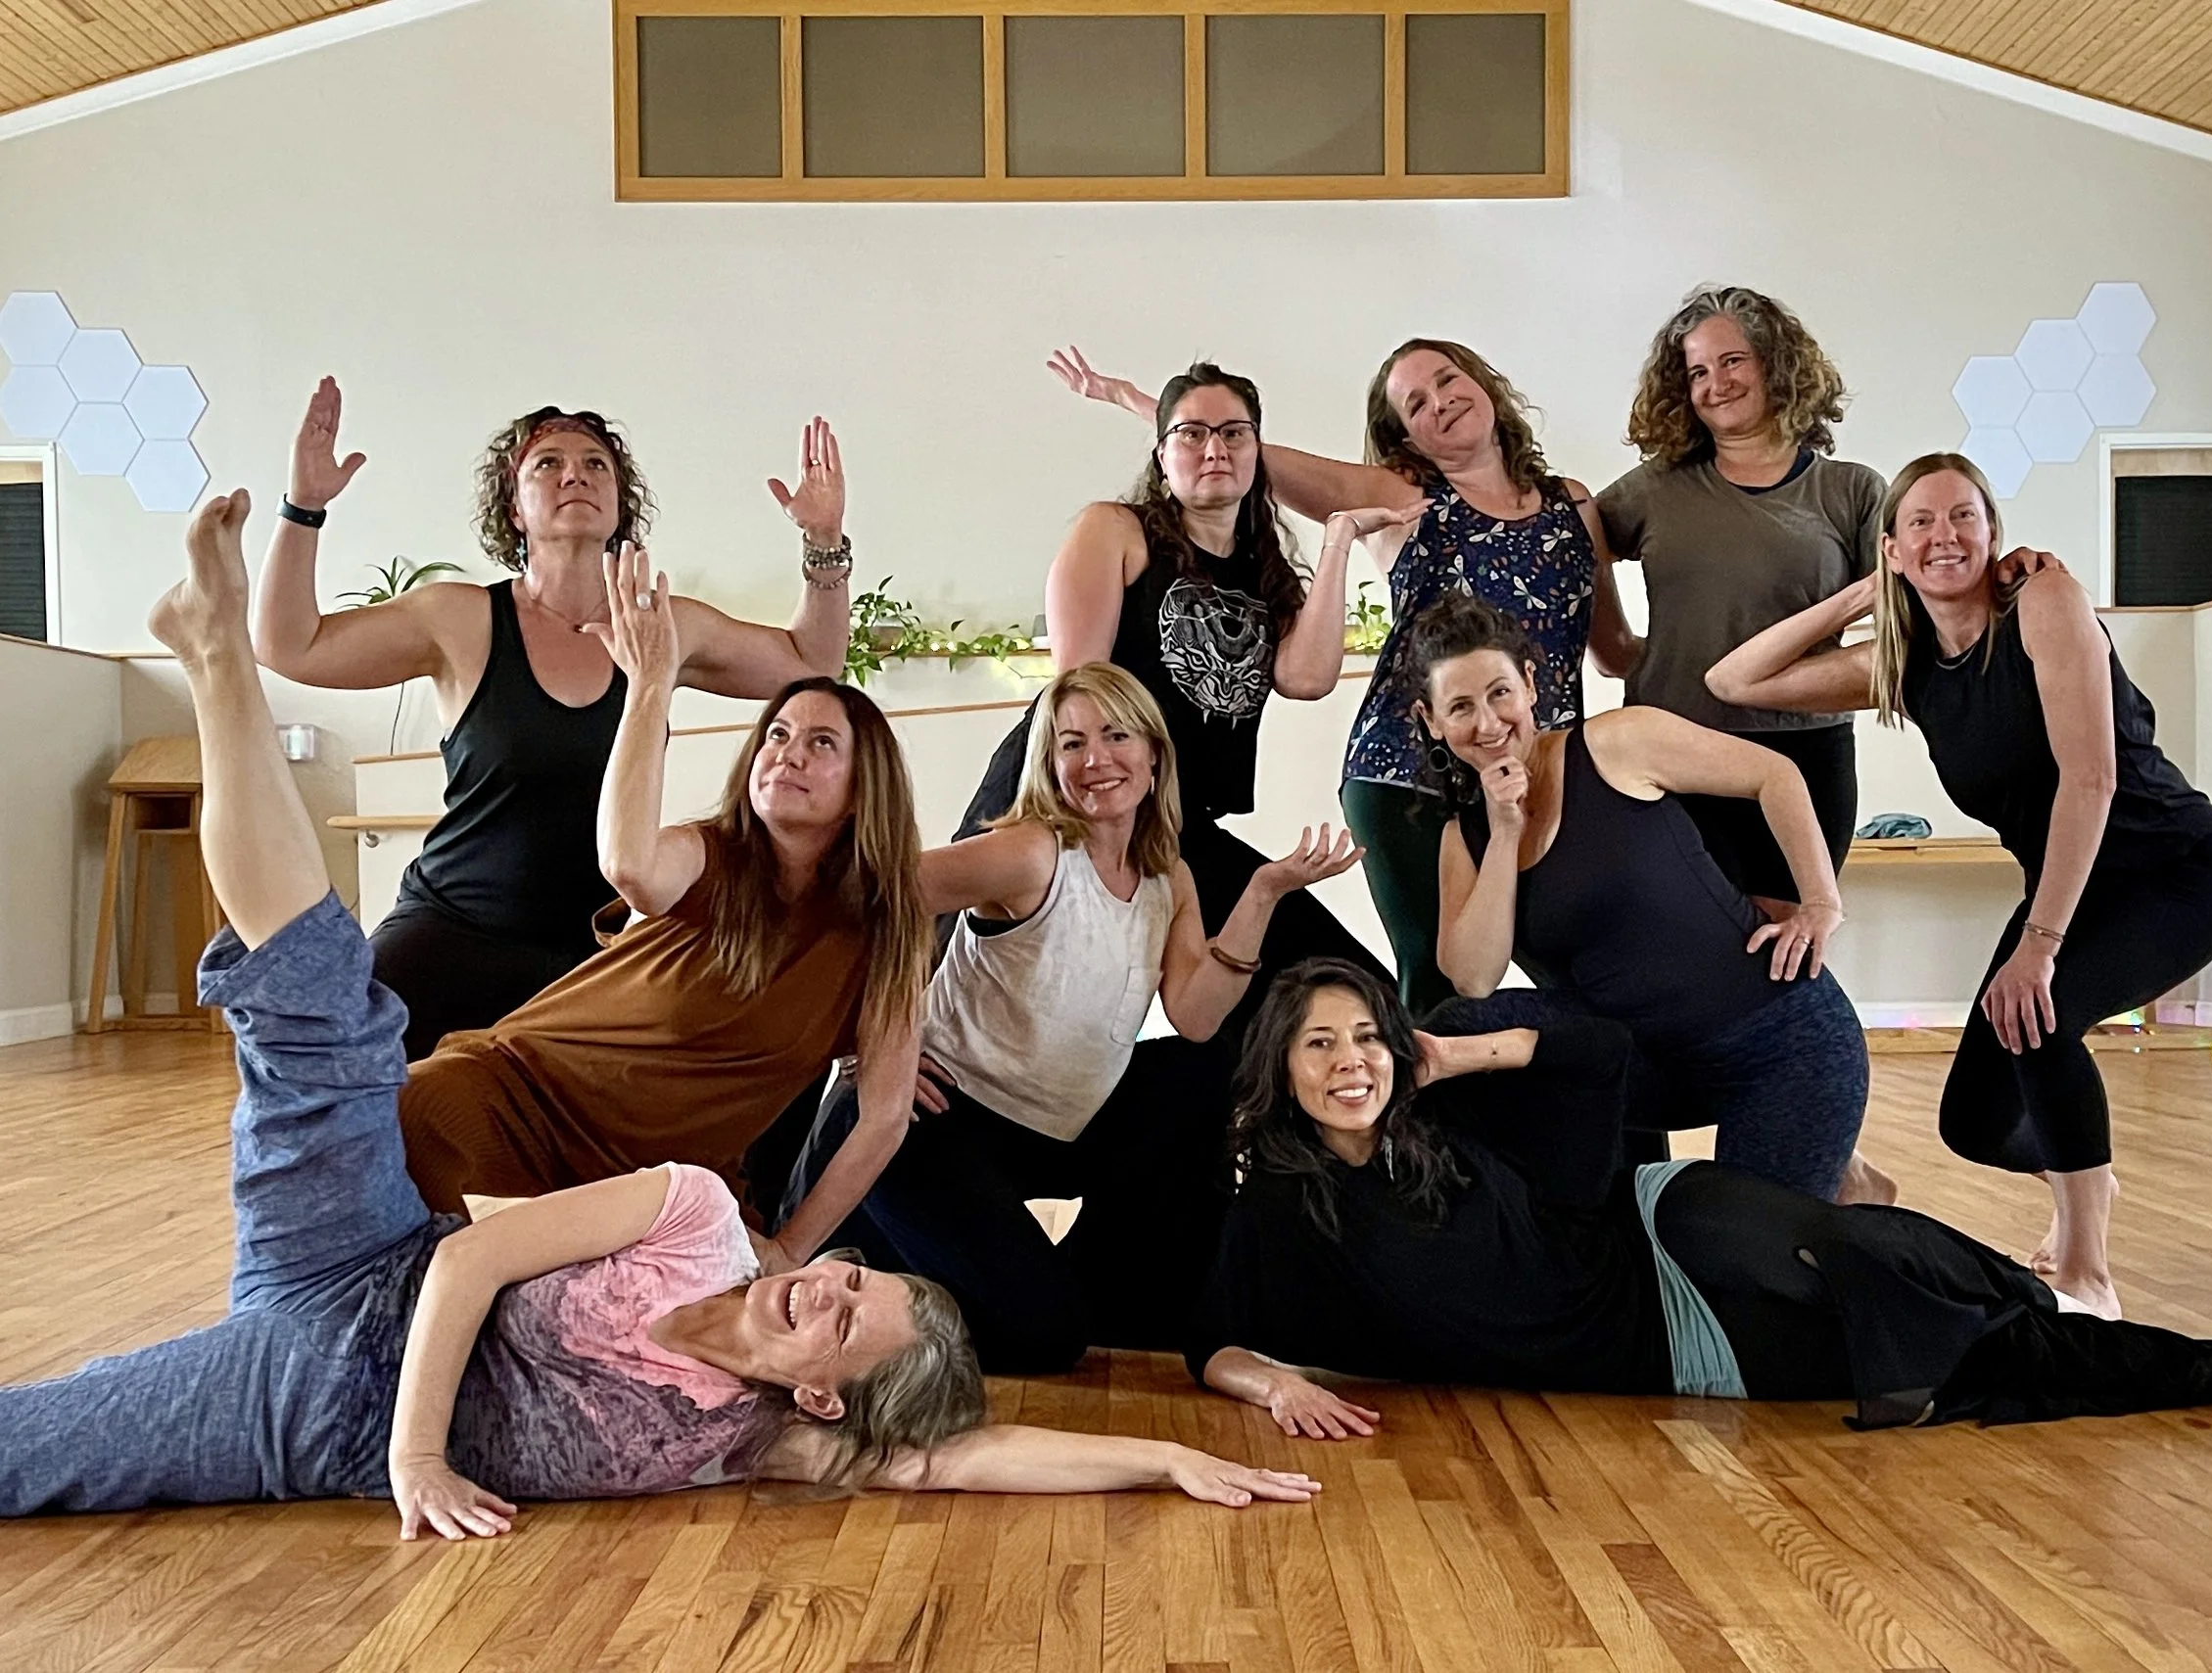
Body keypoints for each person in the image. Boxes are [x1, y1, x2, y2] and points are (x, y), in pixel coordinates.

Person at [0, 489, 1324, 1528]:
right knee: (327, 1016)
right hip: (391, 1250)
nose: (834, 1290)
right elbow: (637, 872)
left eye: (848, 1314)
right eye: (855, 1279)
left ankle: (216, 655)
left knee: (39, 1451)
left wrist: (1165, 1457)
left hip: (308, 1411)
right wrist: (651, 686)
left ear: (825, 1391)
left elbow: (953, 1456)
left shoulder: (752, 1430)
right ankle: (222, 660)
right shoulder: (701, 1202)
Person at [1189, 959, 2212, 1439]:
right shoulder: (1283, 1209)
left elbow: (1598, 1054)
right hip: (1663, 1345)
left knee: (1863, 1244)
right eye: (1318, 1045)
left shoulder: (1434, 1118)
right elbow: (1217, 1339)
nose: (1349, 1060)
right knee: (1923, 1343)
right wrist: (1274, 1382)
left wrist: (1451, 1052)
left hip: (1657, 1221)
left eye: (1365, 1034)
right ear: (1278, 1068)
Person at [1706, 453, 2212, 1318]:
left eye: (1963, 516)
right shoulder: (1905, 661)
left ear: (1995, 534)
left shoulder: (2043, 602)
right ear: (1891, 546)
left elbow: (2092, 782)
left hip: (2171, 870)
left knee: (2040, 1018)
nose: (1944, 535)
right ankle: (2089, 1179)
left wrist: (2039, 947)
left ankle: (2086, 1272)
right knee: (1971, 1121)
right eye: (1919, 522)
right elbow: (1735, 681)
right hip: (2072, 885)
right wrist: (1866, 594)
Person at [254, 379, 860, 1058]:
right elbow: (289, 645)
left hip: (601, 948)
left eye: (596, 463)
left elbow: (813, 660)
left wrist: (824, 538)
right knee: (339, 1055)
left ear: (619, 504)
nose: (576, 473)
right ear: (515, 509)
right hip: (453, 929)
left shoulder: (663, 627)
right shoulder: (459, 619)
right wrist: (303, 507)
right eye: (548, 463)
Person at [785, 663, 1362, 1373]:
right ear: (1048, 764)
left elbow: (1197, 1016)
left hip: (1047, 1130)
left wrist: (1265, 891)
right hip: (933, 1120)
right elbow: (876, 899)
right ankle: (884, 1258)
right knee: (1043, 1339)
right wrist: (870, 1046)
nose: (1094, 759)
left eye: (1115, 735)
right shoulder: (1031, 851)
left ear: (1153, 754)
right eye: (1070, 743)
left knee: (1202, 1071)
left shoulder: (1166, 877)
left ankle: (1111, 1292)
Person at [1053, 341, 1637, 1013]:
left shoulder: (1573, 505)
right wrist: (1136, 402)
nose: (1440, 401)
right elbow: (1244, 456)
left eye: (1449, 380)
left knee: (1599, 963)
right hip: (1407, 769)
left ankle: (1614, 1114)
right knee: (1439, 980)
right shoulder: (1405, 494)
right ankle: (1421, 1117)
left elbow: (1614, 650)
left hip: (1537, 766)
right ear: (1403, 436)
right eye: (1415, 403)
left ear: (1486, 383)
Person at [396, 545, 925, 1265]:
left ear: (866, 787)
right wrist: (650, 682)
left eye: (821, 742)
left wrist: (792, 1248)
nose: (787, 753)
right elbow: (628, 862)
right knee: (415, 1115)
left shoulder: (882, 934)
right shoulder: (712, 854)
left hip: (670, 1186)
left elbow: (885, 1114)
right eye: (776, 734)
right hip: (521, 1097)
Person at [957, 362, 1388, 1036]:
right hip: (1065, 799)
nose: (1214, 448)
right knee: (969, 989)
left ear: (1257, 455)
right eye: (1191, 434)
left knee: (1343, 987)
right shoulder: (1116, 530)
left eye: (1234, 434)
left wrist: (1338, 541)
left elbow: (1307, 677)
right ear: (1163, 459)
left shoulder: (1264, 577)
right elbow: (1080, 695)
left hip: (1178, 824)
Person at [1416, 591, 1876, 1203]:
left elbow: (1775, 775)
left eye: (1500, 692)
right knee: (1457, 1029)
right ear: (1432, 722)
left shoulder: (1618, 744)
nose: (1489, 723)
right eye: (1461, 707)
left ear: (1530, 685)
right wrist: (1505, 831)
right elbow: (1473, 978)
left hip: (1776, 1044)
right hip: (1647, 1065)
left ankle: (1848, 1186)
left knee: (1748, 1257)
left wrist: (1821, 902)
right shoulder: (1464, 836)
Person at [1594, 286, 1885, 911]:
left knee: (1787, 949)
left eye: (1732, 361)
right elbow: (1569, 538)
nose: (1715, 383)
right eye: (1698, 371)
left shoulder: (1852, 491)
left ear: (1776, 365)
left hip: (1805, 752)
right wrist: (1612, 645)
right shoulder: (1654, 489)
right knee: (1683, 946)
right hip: (1672, 747)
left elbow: (1917, 609)